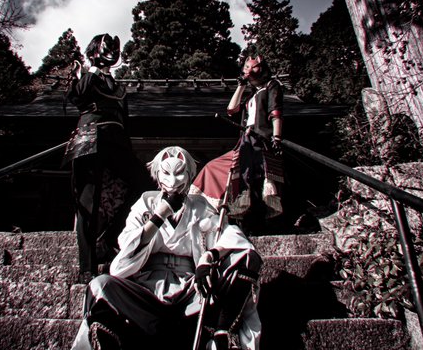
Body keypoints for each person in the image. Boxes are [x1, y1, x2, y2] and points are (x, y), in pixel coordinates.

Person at [70, 146, 262, 350]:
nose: (173, 180)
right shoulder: (145, 203)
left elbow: (232, 237)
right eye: (167, 173)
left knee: (246, 258)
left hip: (192, 291)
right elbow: (126, 248)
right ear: (158, 176)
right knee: (100, 286)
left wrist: (208, 257)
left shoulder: (200, 206)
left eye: (179, 172)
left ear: (189, 174)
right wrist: (159, 215)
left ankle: (222, 333)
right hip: (146, 290)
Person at [63, 33, 153, 282]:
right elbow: (78, 96)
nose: (111, 52)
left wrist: (129, 148)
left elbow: (125, 120)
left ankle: (110, 236)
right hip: (89, 139)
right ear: (95, 51)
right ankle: (87, 267)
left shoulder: (118, 87)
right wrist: (92, 68)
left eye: (114, 48)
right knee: (88, 201)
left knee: (144, 185)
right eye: (106, 47)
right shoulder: (84, 74)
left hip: (117, 142)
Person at [190, 55, 285, 235]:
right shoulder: (250, 94)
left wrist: (277, 136)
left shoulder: (271, 86)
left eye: (253, 67)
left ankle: (257, 222)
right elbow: (231, 109)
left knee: (253, 179)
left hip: (261, 140)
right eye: (246, 67)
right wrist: (241, 86)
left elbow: (275, 112)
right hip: (245, 141)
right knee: (214, 167)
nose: (249, 70)